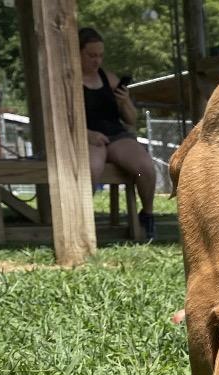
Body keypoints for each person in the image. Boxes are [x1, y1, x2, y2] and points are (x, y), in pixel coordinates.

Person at [79, 27, 156, 240]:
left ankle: (147, 214)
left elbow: (131, 119)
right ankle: (83, 220)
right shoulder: (70, 81)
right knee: (92, 168)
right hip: (87, 136)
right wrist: (86, 134)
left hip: (116, 135)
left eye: (100, 55)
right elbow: (62, 118)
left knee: (144, 168)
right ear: (78, 54)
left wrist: (124, 101)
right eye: (91, 55)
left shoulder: (109, 78)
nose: (97, 61)